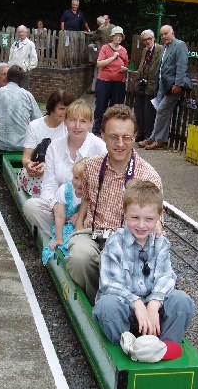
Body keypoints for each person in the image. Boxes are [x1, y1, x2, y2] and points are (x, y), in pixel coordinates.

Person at [67, 104, 163, 305]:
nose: (120, 144)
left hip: (129, 242)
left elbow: (157, 222)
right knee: (78, 256)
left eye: (126, 137)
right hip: (94, 235)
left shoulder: (148, 175)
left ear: (135, 136)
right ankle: (97, 303)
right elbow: (86, 199)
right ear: (102, 135)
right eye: (113, 137)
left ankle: (126, 306)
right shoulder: (92, 167)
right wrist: (78, 227)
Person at [93, 180, 195, 346]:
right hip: (124, 305)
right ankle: (127, 346)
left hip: (152, 304)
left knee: (182, 301)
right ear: (124, 213)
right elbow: (110, 284)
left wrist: (154, 303)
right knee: (107, 306)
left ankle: (165, 345)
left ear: (159, 215)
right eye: (134, 218)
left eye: (149, 219)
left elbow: (166, 277)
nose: (141, 225)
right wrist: (137, 303)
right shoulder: (114, 243)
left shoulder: (161, 244)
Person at [23, 99, 106, 237]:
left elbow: (104, 189)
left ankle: (72, 236)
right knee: (31, 207)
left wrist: (83, 213)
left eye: (83, 121)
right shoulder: (55, 147)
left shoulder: (99, 147)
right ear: (65, 121)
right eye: (73, 120)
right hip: (60, 207)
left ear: (91, 123)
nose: (77, 126)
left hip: (88, 210)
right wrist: (57, 207)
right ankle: (62, 235)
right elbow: (49, 185)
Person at [139, 24, 190, 150]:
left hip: (173, 86)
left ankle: (158, 140)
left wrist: (178, 84)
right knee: (162, 112)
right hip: (163, 86)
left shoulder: (180, 45)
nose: (164, 36)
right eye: (162, 34)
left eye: (166, 33)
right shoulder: (166, 47)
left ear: (173, 33)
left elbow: (182, 66)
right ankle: (155, 138)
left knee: (161, 110)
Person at [17, 89, 75, 196]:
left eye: (68, 109)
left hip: (59, 172)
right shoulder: (34, 126)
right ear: (52, 108)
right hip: (37, 173)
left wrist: (48, 168)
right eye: (61, 109)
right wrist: (30, 165)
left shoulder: (70, 128)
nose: (65, 113)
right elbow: (26, 158)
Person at [0, 65, 41, 152]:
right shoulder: (28, 96)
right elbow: (38, 122)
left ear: (7, 77)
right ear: (22, 80)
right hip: (22, 144)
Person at [41, 158, 86, 266]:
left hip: (82, 227)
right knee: (59, 245)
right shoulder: (65, 190)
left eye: (84, 180)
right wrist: (59, 238)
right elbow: (60, 216)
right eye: (76, 178)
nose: (79, 183)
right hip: (66, 226)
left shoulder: (93, 193)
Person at [93, 26, 129, 136]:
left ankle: (113, 131)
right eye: (116, 35)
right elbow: (99, 64)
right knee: (100, 106)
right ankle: (97, 130)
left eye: (120, 36)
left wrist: (125, 69)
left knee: (116, 108)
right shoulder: (105, 48)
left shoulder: (123, 50)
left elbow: (126, 65)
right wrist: (113, 57)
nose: (118, 37)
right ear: (112, 37)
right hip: (104, 81)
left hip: (119, 82)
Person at [134, 29, 163, 143]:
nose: (147, 42)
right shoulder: (145, 50)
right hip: (141, 85)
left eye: (149, 39)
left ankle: (148, 135)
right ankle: (140, 133)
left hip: (152, 86)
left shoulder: (161, 49)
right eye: (145, 40)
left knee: (149, 113)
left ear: (154, 38)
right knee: (139, 112)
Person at [87, 16, 112, 94]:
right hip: (108, 52)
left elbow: (93, 38)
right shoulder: (109, 28)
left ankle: (97, 89)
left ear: (98, 23)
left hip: (100, 52)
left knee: (98, 71)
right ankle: (96, 88)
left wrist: (87, 34)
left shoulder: (100, 30)